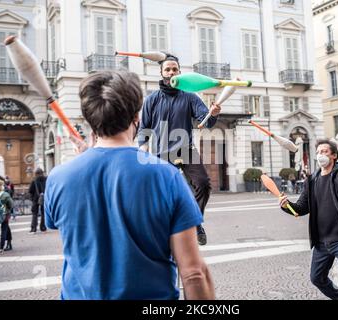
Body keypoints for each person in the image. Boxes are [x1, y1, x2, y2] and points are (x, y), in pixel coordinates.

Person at [47, 71, 215, 300]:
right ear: (137, 116)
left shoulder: (58, 178)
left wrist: (85, 161)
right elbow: (194, 274)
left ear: (89, 119)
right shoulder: (167, 176)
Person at [138, 54, 221, 245]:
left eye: (174, 69)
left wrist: (213, 114)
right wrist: (142, 149)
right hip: (161, 153)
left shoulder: (190, 97)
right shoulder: (152, 99)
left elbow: (205, 122)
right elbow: (144, 127)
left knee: (203, 183)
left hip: (186, 149)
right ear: (161, 73)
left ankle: (195, 222)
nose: (171, 72)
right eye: (167, 69)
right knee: (162, 194)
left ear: (180, 73)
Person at [279, 139, 338, 300]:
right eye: (319, 152)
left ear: (334, 155)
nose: (321, 155)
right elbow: (301, 207)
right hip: (321, 243)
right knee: (317, 278)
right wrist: (287, 205)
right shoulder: (312, 180)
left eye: (325, 152)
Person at [28, 168, 47, 233]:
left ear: (36, 173)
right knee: (43, 213)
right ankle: (43, 227)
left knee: (34, 214)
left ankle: (34, 228)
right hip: (45, 198)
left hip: (36, 199)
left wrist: (32, 198)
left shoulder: (34, 180)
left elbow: (30, 191)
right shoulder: (46, 179)